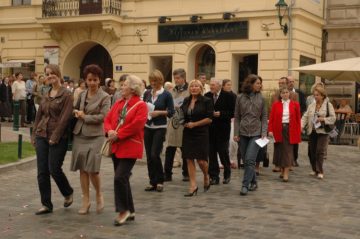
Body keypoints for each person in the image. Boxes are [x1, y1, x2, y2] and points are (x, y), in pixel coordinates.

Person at [104, 74, 148, 226]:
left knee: (119, 177)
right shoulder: (119, 103)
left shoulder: (141, 105)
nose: (121, 87)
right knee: (123, 178)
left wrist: (118, 134)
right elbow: (108, 119)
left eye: (124, 85)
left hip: (130, 145)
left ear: (132, 88)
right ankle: (131, 210)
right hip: (116, 146)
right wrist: (109, 131)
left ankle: (123, 210)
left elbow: (137, 125)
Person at [31, 64, 74, 215]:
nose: (50, 76)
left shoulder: (67, 95)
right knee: (42, 171)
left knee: (54, 168)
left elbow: (65, 118)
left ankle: (67, 192)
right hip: (42, 134)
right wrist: (34, 134)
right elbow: (39, 116)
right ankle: (46, 204)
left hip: (58, 137)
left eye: (52, 73)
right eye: (47, 74)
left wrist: (55, 137)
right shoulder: (46, 94)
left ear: (58, 74)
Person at [70, 65, 111, 215]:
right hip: (80, 135)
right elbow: (75, 109)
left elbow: (104, 117)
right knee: (82, 169)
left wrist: (84, 116)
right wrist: (76, 112)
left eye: (95, 80)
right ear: (85, 80)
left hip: (96, 136)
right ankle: (85, 200)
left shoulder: (105, 97)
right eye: (89, 80)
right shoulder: (81, 94)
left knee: (93, 169)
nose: (92, 82)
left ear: (99, 80)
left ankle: (99, 194)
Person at [234, 74, 267, 196]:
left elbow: (264, 117)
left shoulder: (262, 99)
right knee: (246, 160)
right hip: (242, 133)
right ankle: (253, 182)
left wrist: (263, 133)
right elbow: (237, 117)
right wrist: (236, 133)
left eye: (260, 83)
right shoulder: (240, 98)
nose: (260, 85)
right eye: (257, 83)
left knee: (249, 159)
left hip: (256, 133)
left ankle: (245, 185)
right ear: (250, 84)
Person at [143, 70, 175, 192]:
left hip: (160, 127)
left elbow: (171, 112)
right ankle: (152, 182)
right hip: (147, 126)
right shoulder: (147, 93)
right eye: (151, 80)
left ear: (160, 81)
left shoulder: (166, 94)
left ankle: (160, 180)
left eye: (155, 81)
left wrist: (159, 113)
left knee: (155, 154)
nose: (153, 83)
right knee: (149, 157)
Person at [181, 79, 213, 196]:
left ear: (201, 88)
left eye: (196, 86)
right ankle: (193, 185)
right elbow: (182, 115)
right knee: (189, 158)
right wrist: (182, 122)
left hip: (201, 133)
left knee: (201, 160)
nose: (194, 88)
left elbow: (209, 118)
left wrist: (194, 124)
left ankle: (206, 175)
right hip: (188, 133)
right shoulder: (186, 100)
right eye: (192, 86)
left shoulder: (207, 101)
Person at [205, 78, 235, 185]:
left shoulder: (229, 96)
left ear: (219, 86)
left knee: (223, 152)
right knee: (211, 153)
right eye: (210, 85)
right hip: (210, 129)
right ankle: (214, 176)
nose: (211, 87)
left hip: (223, 129)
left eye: (213, 85)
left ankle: (227, 172)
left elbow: (233, 112)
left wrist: (221, 114)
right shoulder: (207, 96)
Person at [301, 86, 336, 179]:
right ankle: (314, 169)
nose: (315, 97)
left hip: (323, 132)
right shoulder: (311, 105)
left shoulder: (328, 105)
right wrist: (301, 125)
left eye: (317, 95)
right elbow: (305, 116)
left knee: (319, 151)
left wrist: (323, 119)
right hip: (312, 131)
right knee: (311, 152)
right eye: (314, 95)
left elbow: (333, 118)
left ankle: (320, 171)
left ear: (323, 96)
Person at [268, 86, 301, 182]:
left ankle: (286, 172)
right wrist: (270, 130)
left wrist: (298, 132)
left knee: (287, 151)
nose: (285, 94)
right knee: (279, 151)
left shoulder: (295, 105)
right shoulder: (276, 105)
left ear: (289, 93)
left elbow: (298, 120)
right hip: (277, 129)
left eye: (286, 92)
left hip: (289, 130)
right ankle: (282, 171)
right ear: (280, 95)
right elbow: (272, 119)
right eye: (283, 93)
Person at [163, 68, 189, 182]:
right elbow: (166, 106)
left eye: (178, 78)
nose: (176, 80)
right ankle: (167, 174)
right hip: (173, 123)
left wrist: (183, 106)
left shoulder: (189, 90)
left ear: (183, 78)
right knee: (170, 149)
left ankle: (186, 173)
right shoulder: (171, 91)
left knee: (185, 150)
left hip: (184, 123)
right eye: (175, 78)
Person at [287, 76, 306, 167]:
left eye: (292, 81)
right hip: (286, 121)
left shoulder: (300, 93)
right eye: (289, 81)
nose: (291, 83)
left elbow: (303, 106)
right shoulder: (283, 93)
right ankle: (287, 159)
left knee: (295, 141)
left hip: (295, 120)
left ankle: (294, 159)